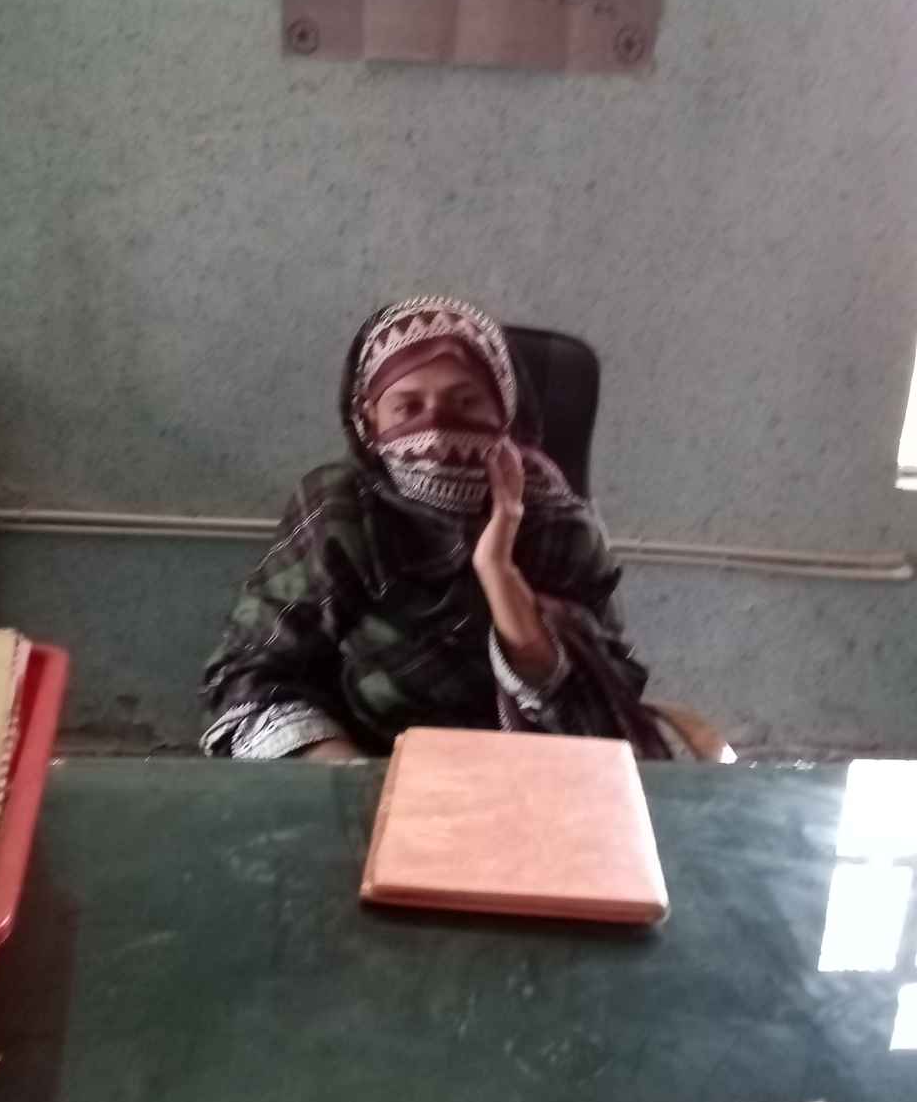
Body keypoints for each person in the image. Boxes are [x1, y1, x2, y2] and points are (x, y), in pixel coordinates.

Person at [201, 296, 670, 761]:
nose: (439, 432)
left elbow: (607, 699)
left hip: (531, 771)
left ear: (504, 408)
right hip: (369, 767)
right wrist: (353, 775)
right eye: (408, 407)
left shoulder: (558, 521)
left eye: (465, 402)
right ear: (368, 420)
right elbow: (247, 675)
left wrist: (499, 572)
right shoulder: (339, 510)